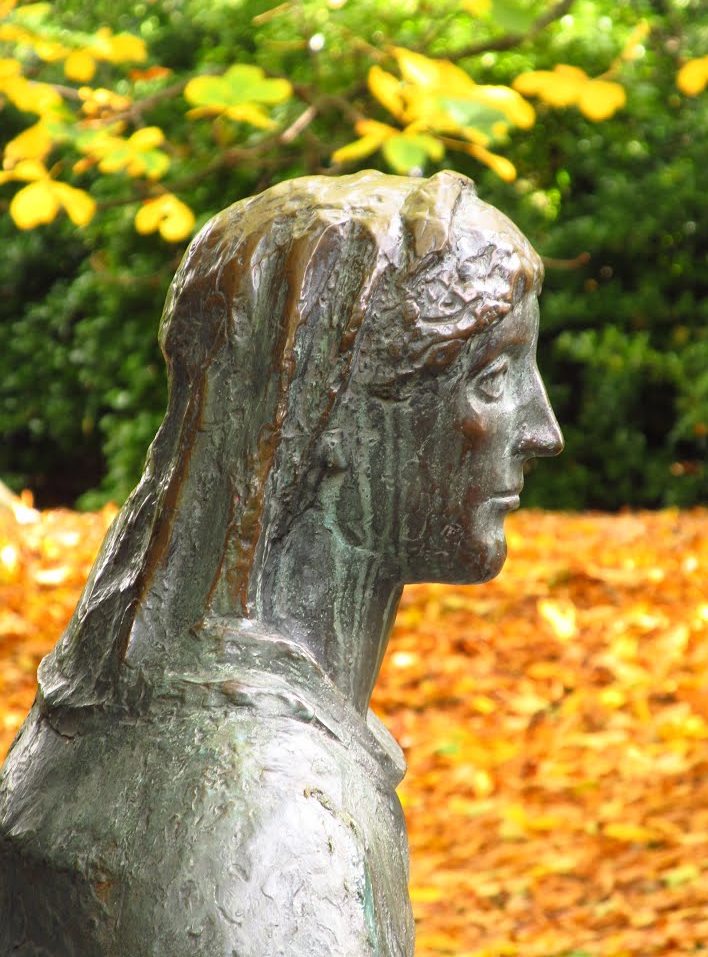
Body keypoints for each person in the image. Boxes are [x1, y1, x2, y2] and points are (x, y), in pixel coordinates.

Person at [0, 170, 562, 956]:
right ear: (329, 411)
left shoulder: (186, 731)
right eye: (493, 378)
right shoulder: (268, 816)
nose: (543, 431)